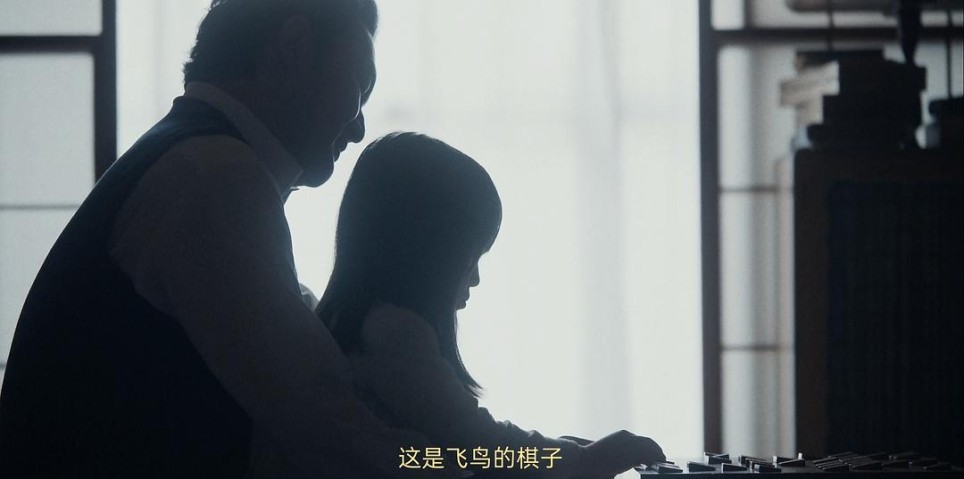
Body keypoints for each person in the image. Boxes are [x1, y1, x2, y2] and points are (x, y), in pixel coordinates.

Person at [0, 1, 451, 477]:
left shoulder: (189, 156)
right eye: (360, 87)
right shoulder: (213, 174)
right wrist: (473, 465)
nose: (359, 128)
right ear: (295, 46)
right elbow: (324, 425)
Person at [295, 132, 667, 478]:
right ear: (426, 254)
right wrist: (582, 460)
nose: (474, 279)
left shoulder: (356, 324)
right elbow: (478, 445)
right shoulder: (393, 334)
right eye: (469, 260)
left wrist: (564, 451)